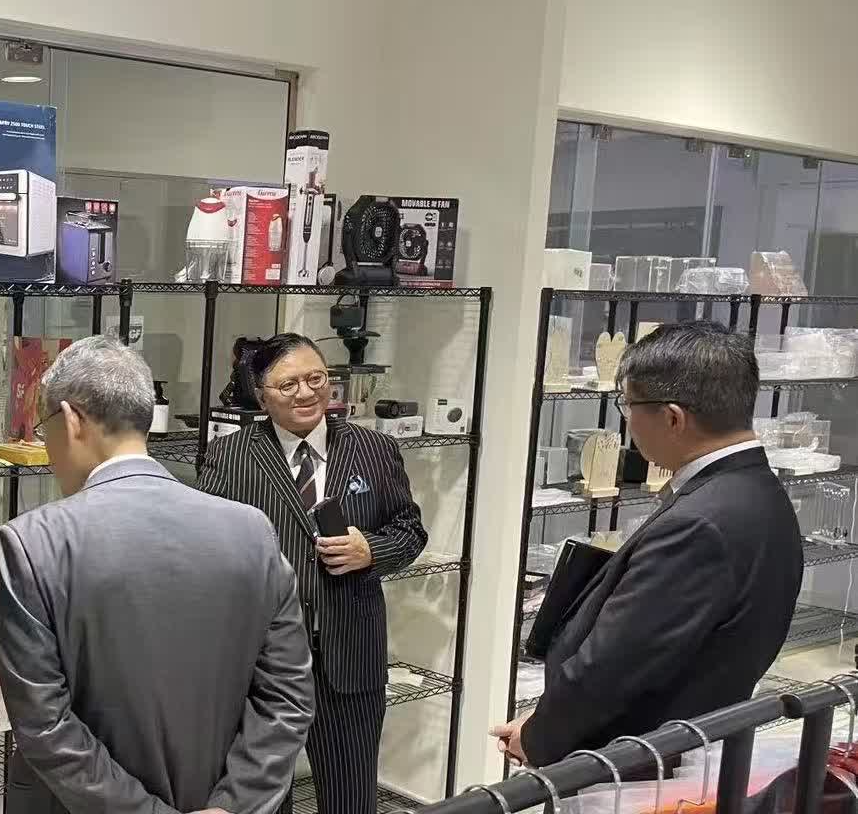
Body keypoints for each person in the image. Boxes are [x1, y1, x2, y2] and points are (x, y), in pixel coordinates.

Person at [0, 336, 315, 814]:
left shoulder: (31, 543)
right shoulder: (252, 531)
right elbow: (288, 695)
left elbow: (45, 725)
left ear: (72, 419)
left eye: (45, 431)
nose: (48, 449)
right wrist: (234, 804)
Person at [492, 320, 803, 766]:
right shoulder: (756, 490)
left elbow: (613, 667)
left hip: (638, 762)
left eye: (629, 405)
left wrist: (539, 736)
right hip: (688, 745)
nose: (629, 422)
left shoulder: (700, 523)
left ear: (673, 418)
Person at [198, 333, 428, 814]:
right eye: (288, 385)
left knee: (350, 799)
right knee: (261, 800)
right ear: (261, 395)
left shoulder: (374, 449)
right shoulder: (230, 456)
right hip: (261, 663)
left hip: (349, 654)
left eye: (316, 379)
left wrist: (371, 550)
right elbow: (205, 547)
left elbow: (409, 531)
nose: (306, 393)